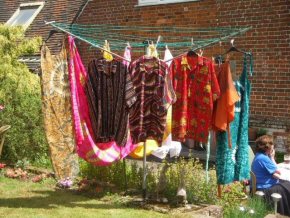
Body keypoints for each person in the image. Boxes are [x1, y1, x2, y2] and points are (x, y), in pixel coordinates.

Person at [251, 135, 290, 216]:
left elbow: (275, 173)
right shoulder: (263, 158)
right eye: (272, 145)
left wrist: (274, 174)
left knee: (286, 183)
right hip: (265, 189)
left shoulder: (260, 156)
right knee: (287, 186)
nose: (273, 146)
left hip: (263, 185)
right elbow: (278, 172)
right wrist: (272, 157)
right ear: (268, 147)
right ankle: (284, 213)